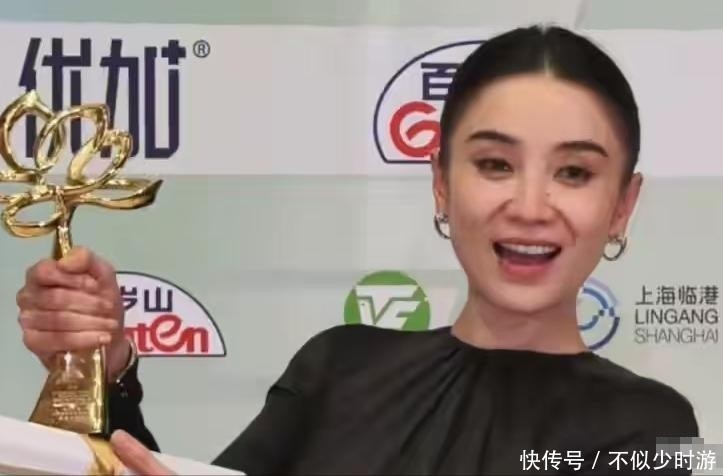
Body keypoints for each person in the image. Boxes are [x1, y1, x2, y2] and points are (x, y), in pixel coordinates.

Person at [16, 25, 698, 475]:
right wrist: (104, 371)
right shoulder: (339, 370)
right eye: (494, 164)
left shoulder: (658, 430)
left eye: (573, 172)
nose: (528, 205)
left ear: (622, 204)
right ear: (441, 182)